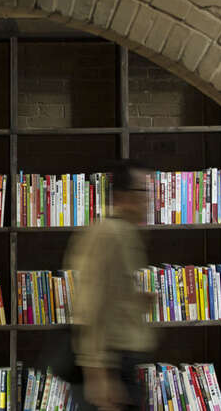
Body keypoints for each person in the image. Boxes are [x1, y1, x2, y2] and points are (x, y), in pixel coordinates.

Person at [63, 161, 157, 411]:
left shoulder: (126, 232)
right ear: (123, 196)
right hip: (113, 365)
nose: (148, 200)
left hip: (124, 360)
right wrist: (98, 375)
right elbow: (89, 303)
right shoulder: (106, 234)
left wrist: (135, 300)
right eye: (143, 191)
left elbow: (113, 292)